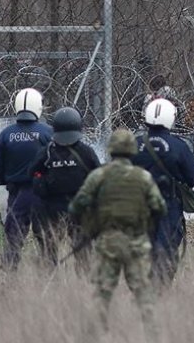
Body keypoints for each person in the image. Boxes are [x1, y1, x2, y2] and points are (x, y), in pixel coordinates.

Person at [69, 129, 166, 335]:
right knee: (144, 295)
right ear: (132, 150)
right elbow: (160, 207)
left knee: (101, 295)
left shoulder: (99, 176)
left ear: (111, 149)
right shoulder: (143, 177)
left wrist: (91, 222)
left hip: (108, 242)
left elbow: (77, 205)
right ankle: (154, 336)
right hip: (137, 243)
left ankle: (94, 336)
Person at [133, 98, 194, 288]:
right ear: (171, 118)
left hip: (139, 205)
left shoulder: (135, 144)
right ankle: (159, 290)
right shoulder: (178, 146)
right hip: (168, 206)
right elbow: (193, 176)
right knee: (167, 250)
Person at [30, 107, 101, 268]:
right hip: (80, 209)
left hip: (51, 210)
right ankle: (83, 283)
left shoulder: (47, 152)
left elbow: (32, 172)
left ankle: (50, 283)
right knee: (83, 252)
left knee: (49, 251)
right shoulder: (86, 152)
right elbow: (98, 175)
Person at [0, 88, 54, 271]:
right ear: (38, 107)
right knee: (45, 236)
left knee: (14, 236)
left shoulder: (5, 134)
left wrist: (5, 181)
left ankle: (8, 275)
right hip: (42, 194)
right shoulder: (47, 132)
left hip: (16, 193)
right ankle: (49, 272)